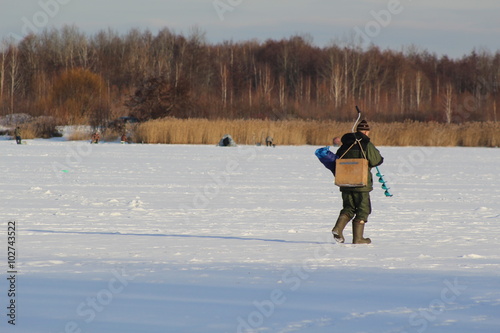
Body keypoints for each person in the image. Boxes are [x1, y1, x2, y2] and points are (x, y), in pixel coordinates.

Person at [332, 120, 384, 244]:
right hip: (361, 184)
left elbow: (337, 159)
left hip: (345, 182)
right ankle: (358, 238)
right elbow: (376, 160)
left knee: (349, 208)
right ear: (366, 132)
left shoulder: (345, 144)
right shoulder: (366, 144)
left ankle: (337, 229)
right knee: (363, 210)